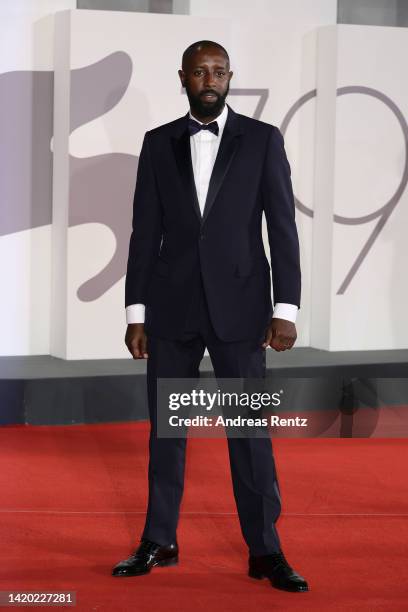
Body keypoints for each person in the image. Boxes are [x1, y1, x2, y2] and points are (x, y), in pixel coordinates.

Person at [112, 40, 308, 593]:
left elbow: (282, 228)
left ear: (230, 77)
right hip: (171, 310)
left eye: (219, 70)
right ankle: (160, 540)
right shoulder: (157, 144)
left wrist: (285, 309)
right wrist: (136, 311)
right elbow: (143, 234)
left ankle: (266, 551)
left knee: (249, 432)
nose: (210, 78)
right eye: (200, 70)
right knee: (166, 433)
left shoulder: (263, 140)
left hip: (243, 311)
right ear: (183, 77)